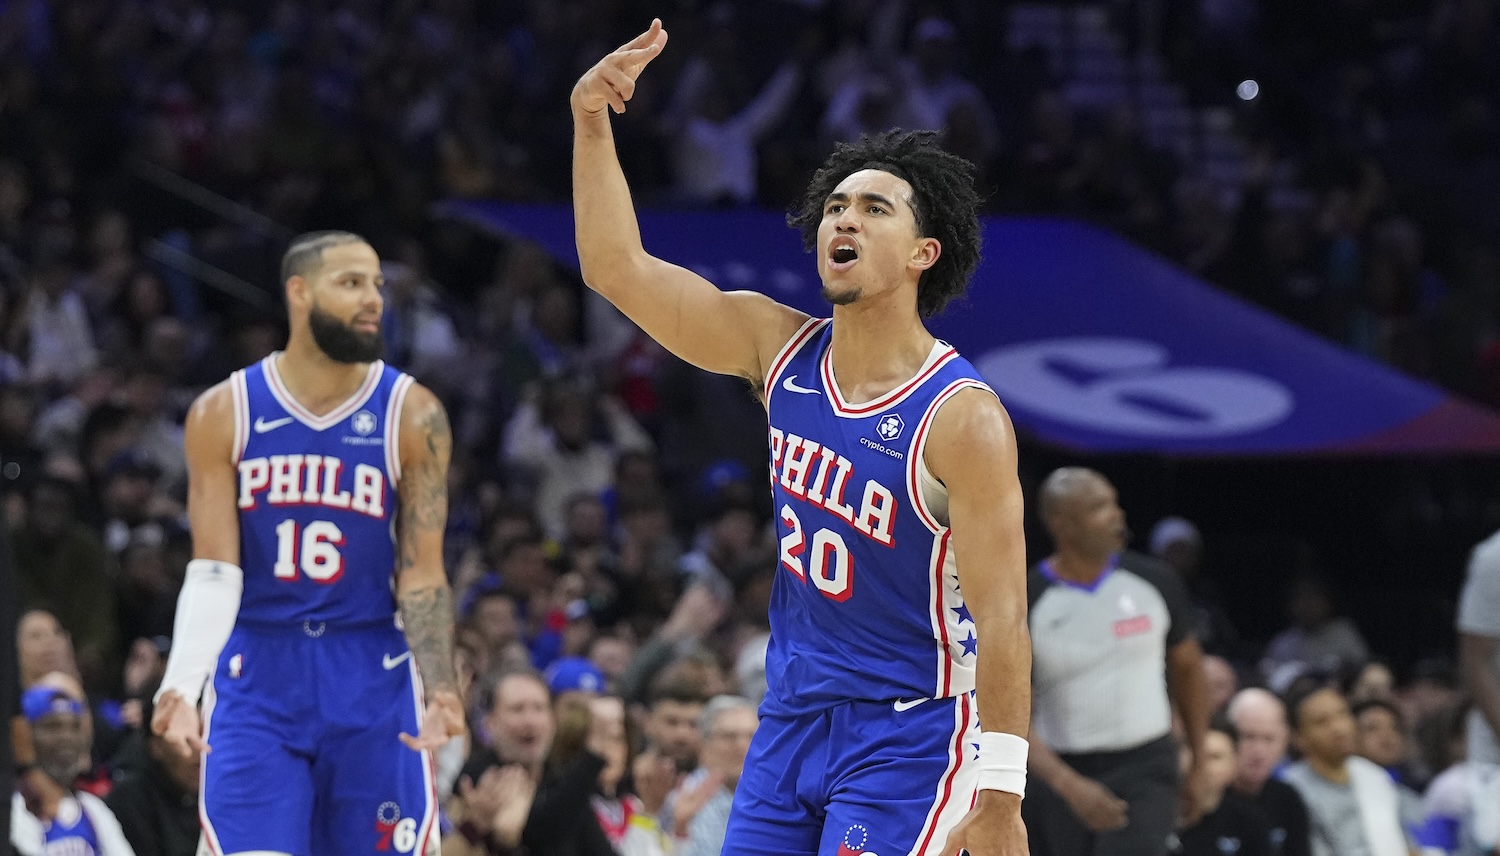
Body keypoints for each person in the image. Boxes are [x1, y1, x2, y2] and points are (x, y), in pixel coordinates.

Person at [572, 19, 1031, 856]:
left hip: (912, 733)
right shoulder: (773, 346)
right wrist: (592, 122)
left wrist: (1001, 792)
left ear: (924, 251)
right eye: (834, 205)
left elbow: (1004, 619)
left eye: (872, 207)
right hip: (790, 720)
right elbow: (616, 269)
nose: (839, 219)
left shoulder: (963, 417)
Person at [149, 231, 465, 856]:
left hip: (371, 671)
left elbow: (421, 573)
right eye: (350, 284)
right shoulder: (224, 411)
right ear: (298, 293)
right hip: (261, 672)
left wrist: (442, 685)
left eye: (377, 284)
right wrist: (181, 685)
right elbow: (214, 570)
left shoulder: (413, 413)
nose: (373, 299)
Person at [1022, 467, 1212, 856]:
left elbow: (1190, 670)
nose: (1116, 514)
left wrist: (1199, 759)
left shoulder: (1155, 581)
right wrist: (1067, 784)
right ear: (1063, 525)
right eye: (1098, 507)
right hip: (1060, 771)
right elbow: (1008, 712)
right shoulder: (1027, 600)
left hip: (1148, 765)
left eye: (1113, 503)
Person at [1280, 687, 1416, 856]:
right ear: (1298, 738)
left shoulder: (1374, 776)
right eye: (1322, 722)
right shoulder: (1292, 790)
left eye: (1342, 714)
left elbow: (1405, 845)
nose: (1339, 728)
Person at [10, 684, 135, 856]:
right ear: (25, 738)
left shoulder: (93, 809)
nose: (66, 737)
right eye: (52, 726)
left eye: (74, 727)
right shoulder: (15, 808)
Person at [664, 694, 760, 856]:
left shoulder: (775, 797)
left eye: (751, 736)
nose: (742, 745)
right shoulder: (680, 798)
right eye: (729, 736)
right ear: (703, 743)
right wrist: (680, 827)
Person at [1169, 716, 1274, 856]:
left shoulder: (1250, 822)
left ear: (1234, 764)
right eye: (1195, 754)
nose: (1202, 766)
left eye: (1215, 757)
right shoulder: (1158, 815)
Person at [1227, 688, 1313, 856]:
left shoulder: (1288, 799)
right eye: (1248, 737)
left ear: (1285, 740)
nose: (1259, 751)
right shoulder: (1209, 802)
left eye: (1269, 739)